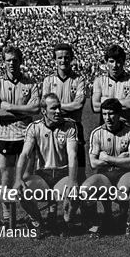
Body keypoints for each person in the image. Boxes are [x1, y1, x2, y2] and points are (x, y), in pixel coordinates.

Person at [12, 93, 78, 239]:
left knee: (74, 192)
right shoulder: (34, 128)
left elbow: (72, 154)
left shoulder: (69, 126)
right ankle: (37, 222)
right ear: (43, 111)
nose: (58, 111)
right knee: (23, 190)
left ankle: (67, 222)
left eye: (59, 107)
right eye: (53, 108)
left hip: (63, 175)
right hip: (43, 176)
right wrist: (18, 179)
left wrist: (73, 180)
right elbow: (25, 154)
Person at [0, 46, 40, 227]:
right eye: (8, 60)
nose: (12, 63)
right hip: (5, 136)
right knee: (6, 179)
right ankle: (6, 216)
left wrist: (9, 107)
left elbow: (36, 109)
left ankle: (32, 216)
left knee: (26, 179)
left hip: (26, 137)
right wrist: (22, 113)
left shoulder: (30, 83)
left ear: (21, 61)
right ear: (4, 62)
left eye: (15, 60)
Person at [83, 98, 130, 238]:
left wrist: (107, 158)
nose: (107, 118)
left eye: (111, 114)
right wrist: (120, 159)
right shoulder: (96, 133)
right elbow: (93, 164)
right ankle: (97, 224)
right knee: (86, 188)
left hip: (124, 175)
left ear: (118, 114)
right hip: (104, 176)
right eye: (104, 114)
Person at [42, 43, 87, 186]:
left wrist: (54, 107)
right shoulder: (48, 80)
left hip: (74, 127)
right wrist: (68, 107)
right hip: (54, 130)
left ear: (72, 59)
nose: (63, 60)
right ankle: (53, 208)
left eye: (66, 57)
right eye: (59, 57)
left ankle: (86, 208)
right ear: (54, 60)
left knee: (79, 172)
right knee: (52, 171)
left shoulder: (79, 80)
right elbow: (44, 107)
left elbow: (78, 104)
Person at [92, 44, 130, 127]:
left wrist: (104, 100)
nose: (114, 65)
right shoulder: (99, 81)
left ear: (123, 62)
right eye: (111, 61)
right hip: (105, 131)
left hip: (127, 130)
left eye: (118, 62)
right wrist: (123, 102)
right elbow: (96, 106)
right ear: (106, 62)